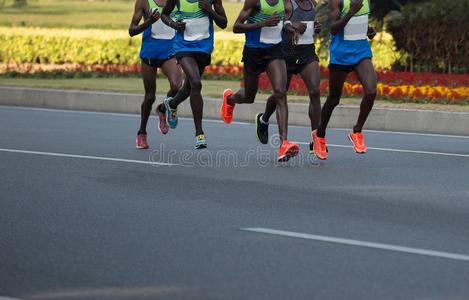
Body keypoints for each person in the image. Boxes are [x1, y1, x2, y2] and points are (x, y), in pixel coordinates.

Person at [220, 0, 299, 162]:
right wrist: (263, 23)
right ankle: (230, 99)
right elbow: (236, 27)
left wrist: (289, 28)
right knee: (249, 97)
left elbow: (284, 21)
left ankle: (284, 143)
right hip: (254, 52)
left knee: (280, 92)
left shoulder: (286, 3)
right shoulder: (255, 2)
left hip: (275, 50)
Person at [312, 0, 377, 160]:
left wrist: (368, 30)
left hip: (361, 51)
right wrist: (350, 12)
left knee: (371, 91)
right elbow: (333, 29)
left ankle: (357, 131)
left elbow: (357, 24)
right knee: (334, 99)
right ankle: (320, 135)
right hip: (341, 55)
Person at [161, 0, 227, 149]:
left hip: (203, 48)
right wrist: (173, 24)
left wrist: (209, 10)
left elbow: (223, 23)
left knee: (188, 89)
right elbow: (164, 14)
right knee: (196, 83)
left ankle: (171, 104)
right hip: (183, 46)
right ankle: (199, 134)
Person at [129, 0, 183, 149]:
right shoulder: (143, 2)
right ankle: (142, 133)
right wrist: (149, 22)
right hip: (150, 52)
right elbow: (131, 31)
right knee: (149, 96)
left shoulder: (177, 1)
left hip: (170, 50)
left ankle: (162, 109)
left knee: (177, 86)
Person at [281, 0, 322, 154]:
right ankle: (264, 119)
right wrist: (291, 25)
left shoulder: (313, 3)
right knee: (280, 94)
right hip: (287, 52)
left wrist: (315, 27)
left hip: (307, 53)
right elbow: (276, 20)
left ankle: (316, 139)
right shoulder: (287, 3)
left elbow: (310, 24)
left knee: (315, 91)